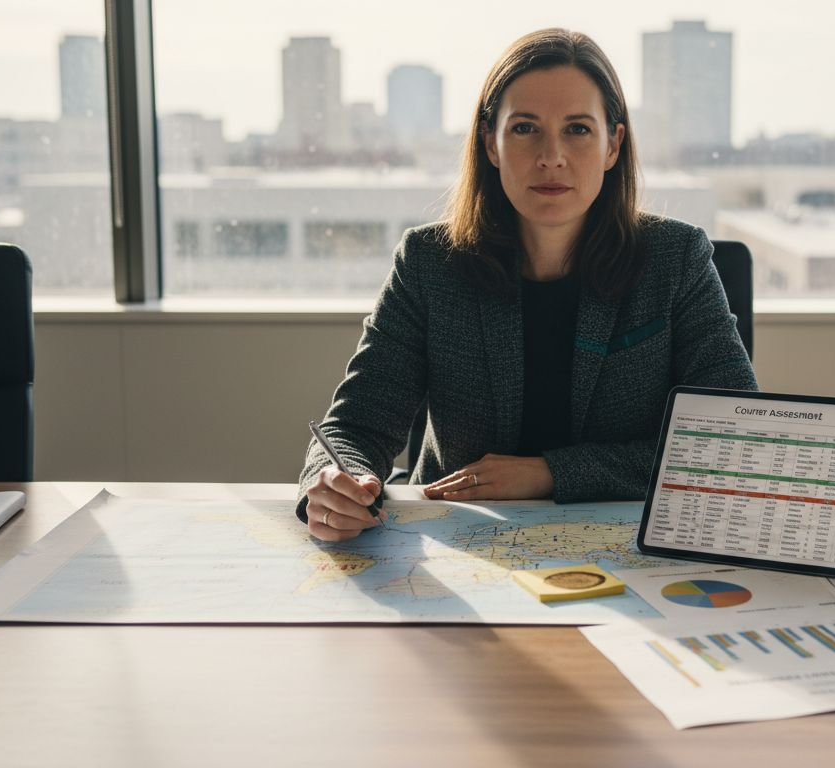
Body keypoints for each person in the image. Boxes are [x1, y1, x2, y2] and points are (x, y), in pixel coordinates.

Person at [297, 28, 756, 541]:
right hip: (459, 542)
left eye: (578, 129)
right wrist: (335, 483)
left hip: (626, 544)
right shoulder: (429, 263)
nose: (551, 156)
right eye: (525, 129)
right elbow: (353, 428)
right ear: (490, 143)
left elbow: (731, 445)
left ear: (613, 145)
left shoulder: (675, 259)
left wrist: (550, 473)